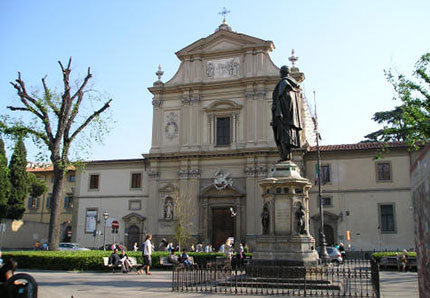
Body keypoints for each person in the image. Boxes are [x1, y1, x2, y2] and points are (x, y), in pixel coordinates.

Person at [271, 65, 302, 161]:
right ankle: (286, 156)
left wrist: (278, 110)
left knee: (283, 136)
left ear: (283, 72)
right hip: (288, 116)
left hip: (283, 116)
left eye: (280, 72)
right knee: (283, 136)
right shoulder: (291, 85)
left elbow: (284, 99)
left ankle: (285, 156)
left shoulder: (284, 83)